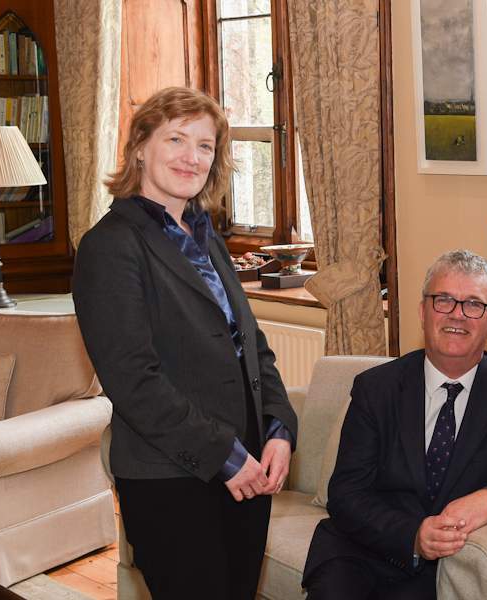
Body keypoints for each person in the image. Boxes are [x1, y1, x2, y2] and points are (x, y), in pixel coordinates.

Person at [73, 86, 298, 600]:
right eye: (175, 139)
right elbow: (135, 383)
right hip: (172, 479)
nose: (191, 157)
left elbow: (251, 345)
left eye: (205, 145)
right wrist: (225, 455)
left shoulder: (205, 235)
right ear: (139, 147)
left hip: (247, 468)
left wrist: (279, 427)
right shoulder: (109, 245)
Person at [301, 249, 487, 600]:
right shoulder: (376, 387)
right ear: (423, 312)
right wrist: (413, 536)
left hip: (447, 565)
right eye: (444, 300)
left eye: (474, 304)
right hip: (360, 548)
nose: (457, 315)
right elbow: (346, 495)